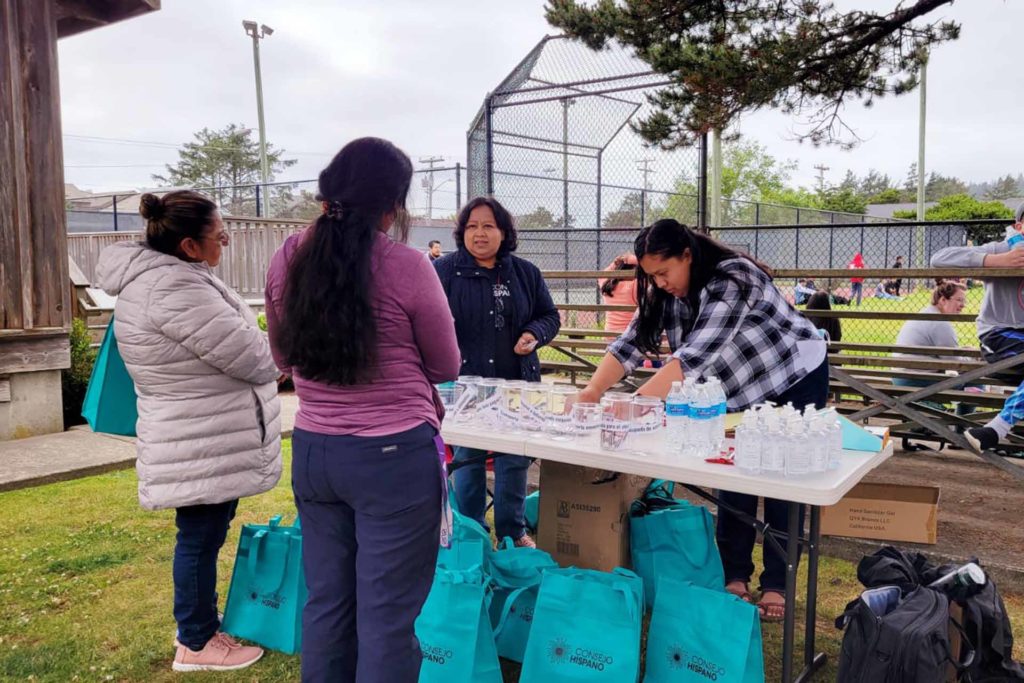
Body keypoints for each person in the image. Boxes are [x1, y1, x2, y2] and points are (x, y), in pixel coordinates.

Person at [265, 137, 461, 683]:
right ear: (393, 204)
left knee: (327, 605)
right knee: (387, 616)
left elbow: (282, 355)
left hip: (314, 451)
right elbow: (446, 364)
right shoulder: (408, 265)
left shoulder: (288, 253)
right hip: (393, 459)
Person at [577, 219, 828, 622]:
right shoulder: (665, 291)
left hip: (791, 376)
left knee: (785, 479)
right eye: (651, 276)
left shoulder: (734, 278)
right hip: (733, 384)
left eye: (664, 272)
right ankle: (734, 575)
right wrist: (592, 392)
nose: (659, 283)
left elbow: (691, 360)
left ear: (688, 255)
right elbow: (631, 341)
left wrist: (632, 407)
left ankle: (778, 583)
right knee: (731, 475)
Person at [96, 191, 282, 673]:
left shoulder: (172, 278)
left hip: (200, 433)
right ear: (189, 246)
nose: (225, 238)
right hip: (200, 438)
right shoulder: (174, 289)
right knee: (199, 539)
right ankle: (196, 642)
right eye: (218, 233)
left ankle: (201, 629)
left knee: (202, 536)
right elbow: (257, 358)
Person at [434, 197, 561, 549]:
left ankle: (512, 531)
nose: (480, 233)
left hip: (516, 384)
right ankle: (470, 531)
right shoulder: (444, 271)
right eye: (472, 226)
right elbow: (425, 320)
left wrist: (535, 334)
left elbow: (550, 316)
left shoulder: (525, 273)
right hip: (464, 386)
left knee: (514, 459)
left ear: (503, 232)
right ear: (462, 233)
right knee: (467, 459)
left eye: (488, 226)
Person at [932, 203, 1024, 452]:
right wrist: (996, 260)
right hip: (998, 336)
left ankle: (995, 430)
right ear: (1019, 226)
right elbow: (938, 259)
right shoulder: (1001, 249)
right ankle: (999, 429)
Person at [892, 282, 973, 415]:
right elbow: (956, 363)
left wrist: (963, 353)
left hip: (902, 377)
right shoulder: (939, 322)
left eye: (964, 301)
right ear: (942, 300)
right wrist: (973, 357)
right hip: (915, 380)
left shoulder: (927, 313)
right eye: (959, 300)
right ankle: (961, 429)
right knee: (975, 380)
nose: (963, 305)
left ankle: (924, 418)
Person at [598, 253, 639, 332]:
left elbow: (602, 275)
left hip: (609, 336)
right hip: (629, 338)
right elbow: (651, 270)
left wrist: (615, 263)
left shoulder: (606, 285)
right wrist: (635, 259)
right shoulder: (635, 285)